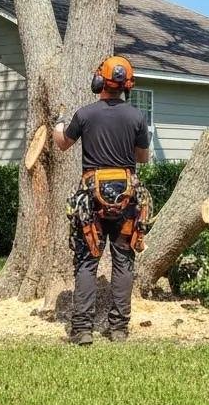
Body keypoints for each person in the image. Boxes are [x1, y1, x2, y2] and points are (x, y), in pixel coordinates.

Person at [53, 55, 151, 346]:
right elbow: (142, 158)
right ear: (126, 85)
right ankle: (118, 328)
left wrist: (59, 124)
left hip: (91, 201)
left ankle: (82, 329)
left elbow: (62, 144)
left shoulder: (84, 115)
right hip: (127, 200)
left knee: (87, 260)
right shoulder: (137, 117)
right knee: (123, 261)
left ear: (100, 82)